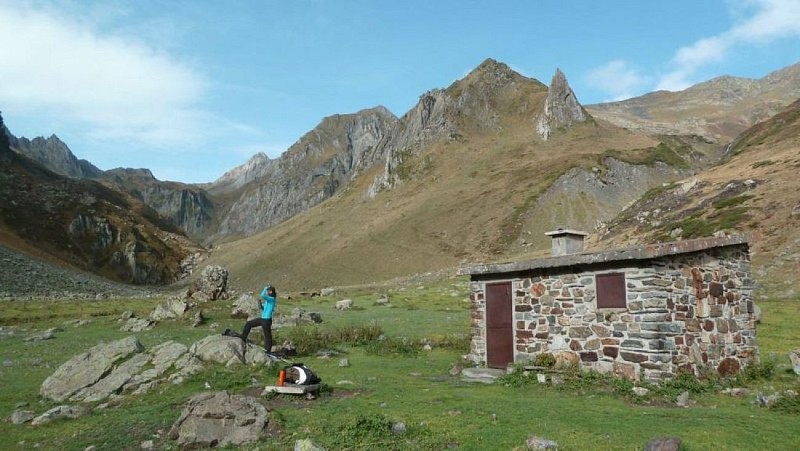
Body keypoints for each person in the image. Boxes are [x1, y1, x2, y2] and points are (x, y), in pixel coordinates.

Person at [239, 284, 277, 353]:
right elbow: (264, 309)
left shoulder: (272, 299)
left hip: (267, 320)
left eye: (268, 291)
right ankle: (243, 337)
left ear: (271, 292)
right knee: (249, 324)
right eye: (267, 290)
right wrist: (261, 306)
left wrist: (265, 288)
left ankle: (268, 350)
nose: (267, 292)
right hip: (263, 319)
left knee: (267, 335)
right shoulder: (268, 300)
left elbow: (263, 295)